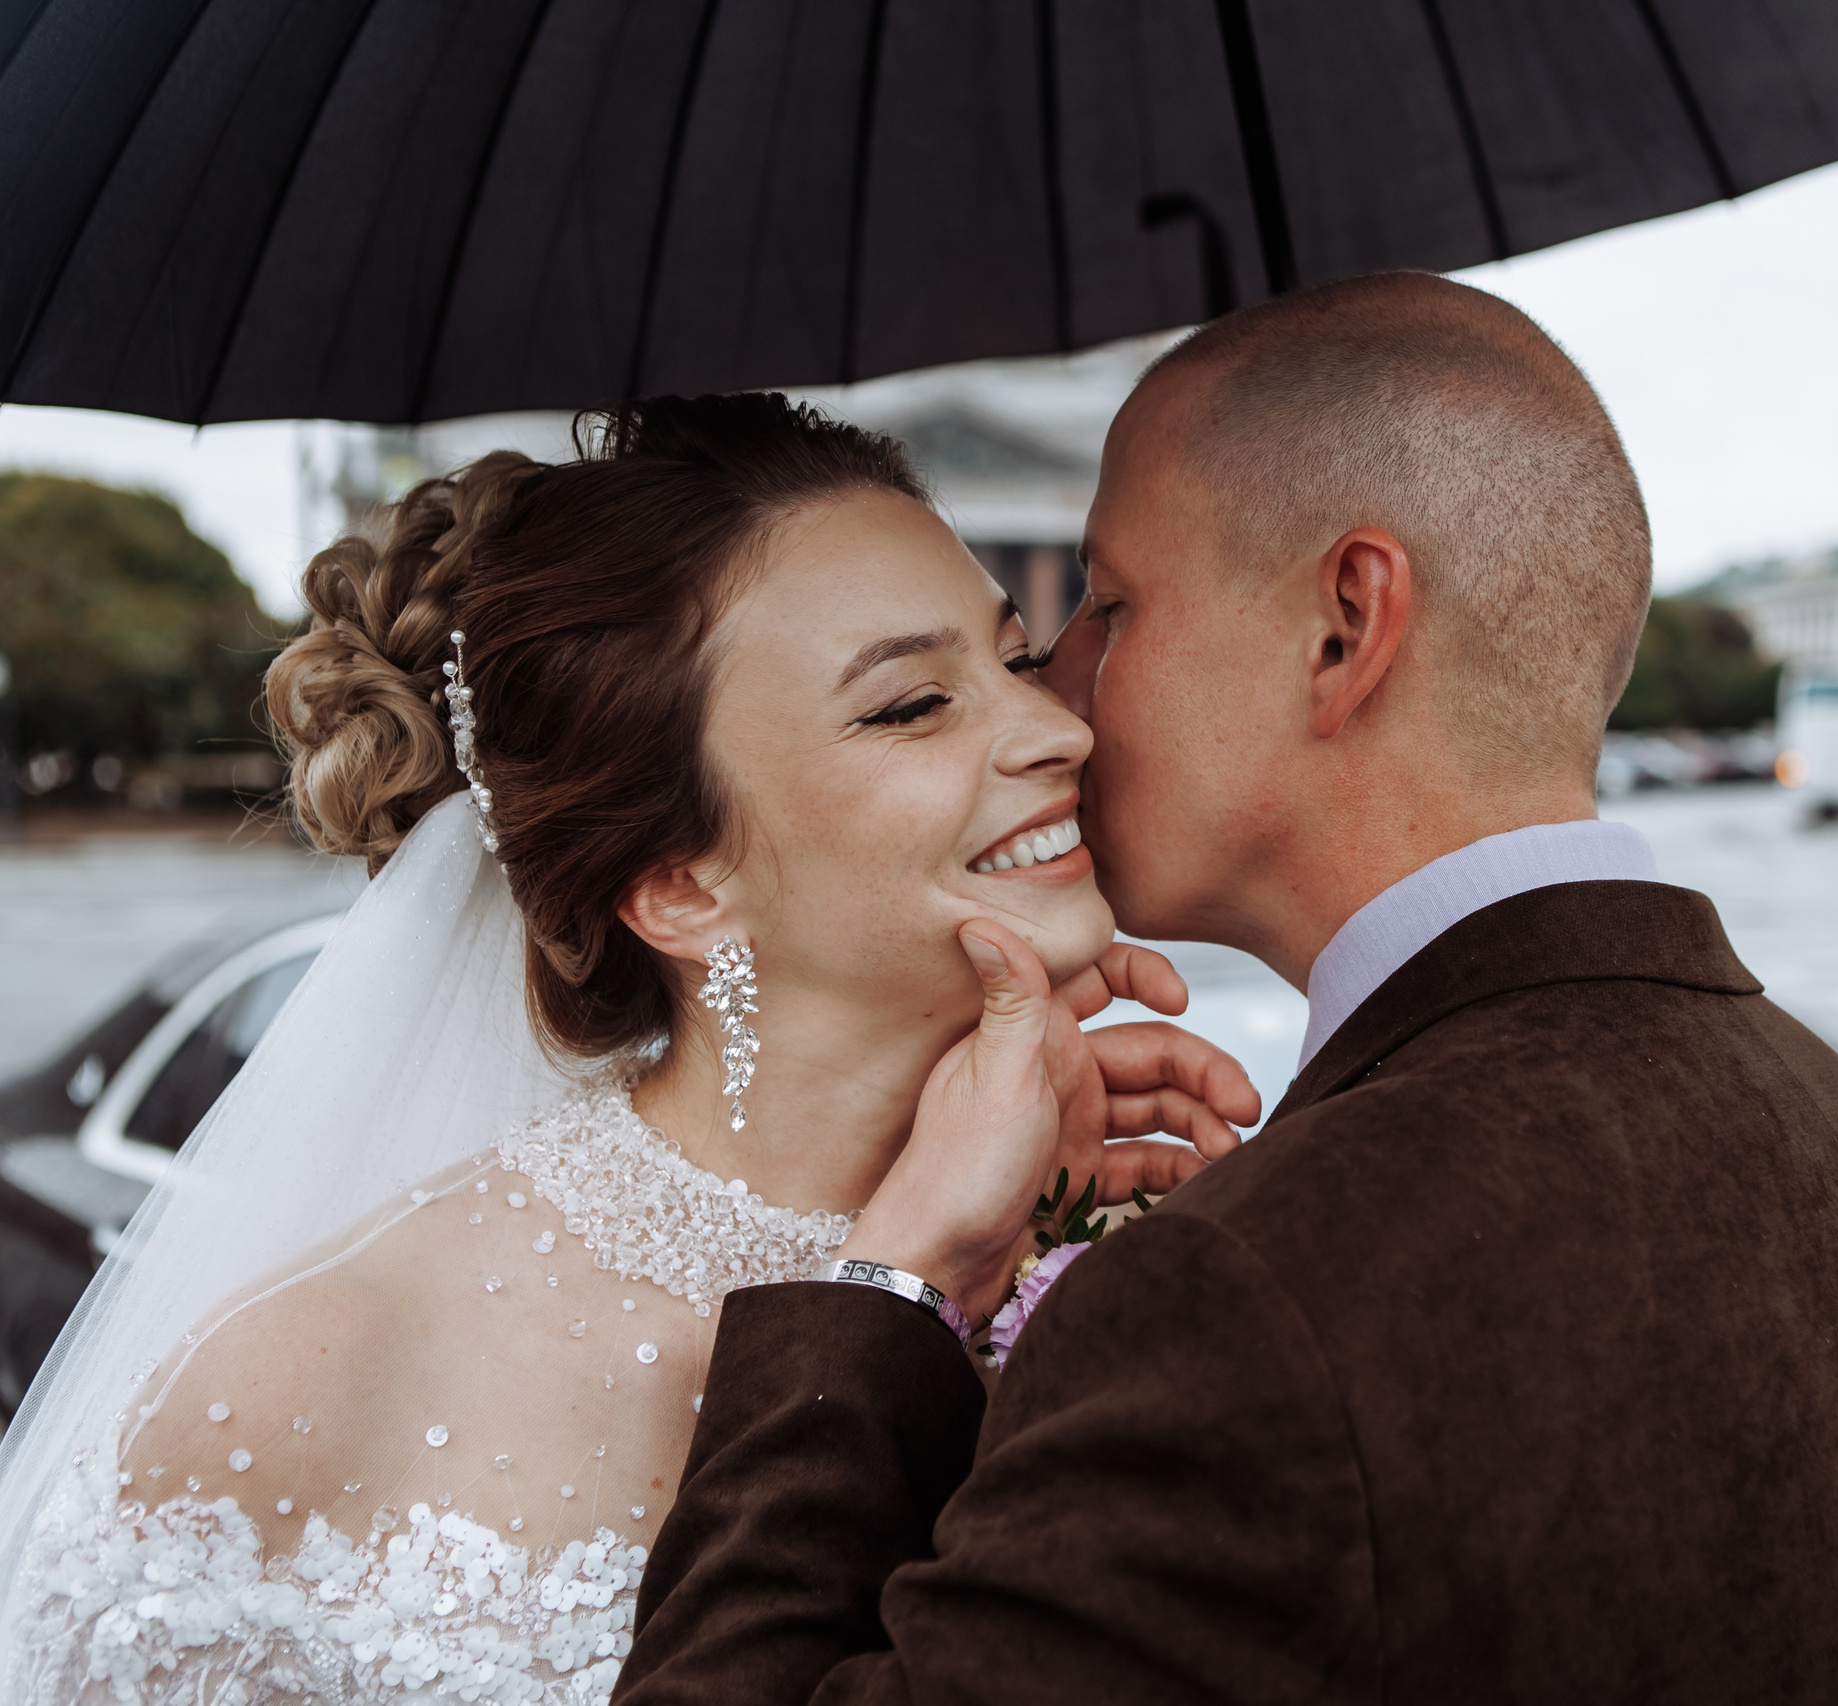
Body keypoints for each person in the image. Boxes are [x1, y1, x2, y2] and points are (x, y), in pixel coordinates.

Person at [616, 274, 1838, 1703]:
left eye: (1110, 603)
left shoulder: (1249, 1307)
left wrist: (898, 1281)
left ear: (1345, 625)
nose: (1060, 687)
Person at [0, 394, 1255, 1705]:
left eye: (1022, 653)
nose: (1059, 726)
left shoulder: (1131, 1247)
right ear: (679, 885)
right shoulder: (299, 1375)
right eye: (915, 703)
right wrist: (902, 1283)